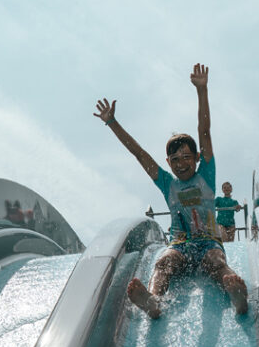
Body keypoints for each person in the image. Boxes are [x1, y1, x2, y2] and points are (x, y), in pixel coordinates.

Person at [93, 63, 248, 318]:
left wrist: (202, 91)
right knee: (164, 263)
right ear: (168, 164)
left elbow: (205, 131)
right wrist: (112, 122)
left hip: (209, 241)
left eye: (187, 157)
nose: (182, 163)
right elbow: (139, 153)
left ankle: (237, 294)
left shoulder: (206, 176)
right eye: (175, 160)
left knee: (215, 262)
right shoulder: (168, 183)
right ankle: (154, 301)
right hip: (181, 244)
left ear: (197, 157)